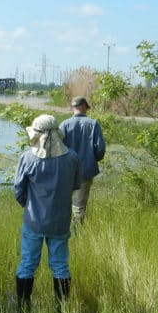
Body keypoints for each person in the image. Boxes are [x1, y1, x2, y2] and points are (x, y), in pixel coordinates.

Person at [13, 114, 82, 313]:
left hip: (33, 220)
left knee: (27, 263)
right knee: (60, 265)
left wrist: (28, 205)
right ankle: (61, 311)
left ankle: (23, 309)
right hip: (60, 220)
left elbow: (18, 189)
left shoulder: (27, 158)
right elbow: (76, 185)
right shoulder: (72, 158)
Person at [59, 95, 106, 224]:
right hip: (86, 170)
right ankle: (77, 232)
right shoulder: (93, 124)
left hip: (67, 170)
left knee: (64, 201)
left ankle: (63, 228)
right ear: (84, 106)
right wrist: (93, 160)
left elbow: (57, 148)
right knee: (79, 205)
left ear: (73, 107)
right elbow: (101, 149)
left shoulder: (64, 124)